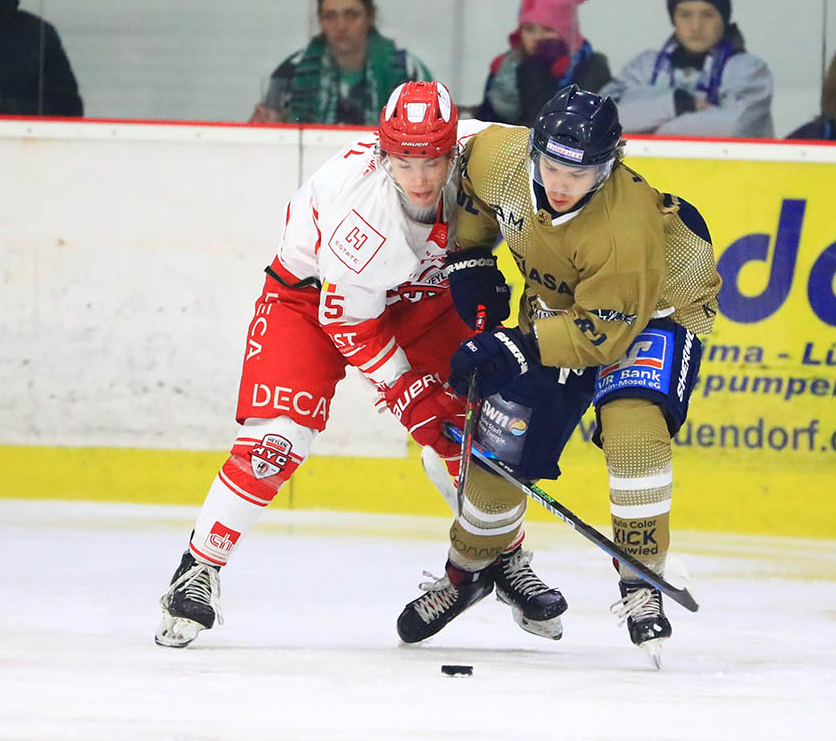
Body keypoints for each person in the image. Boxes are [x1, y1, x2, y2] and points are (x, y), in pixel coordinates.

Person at [155, 81, 560, 648]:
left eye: (434, 160)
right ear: (381, 152)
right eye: (404, 161)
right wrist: (407, 391)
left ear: (455, 150)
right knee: (278, 439)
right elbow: (349, 322)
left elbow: (561, 166)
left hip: (422, 293)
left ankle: (501, 558)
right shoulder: (363, 216)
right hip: (313, 297)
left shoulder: (489, 159)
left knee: (476, 426)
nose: (420, 179)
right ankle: (198, 569)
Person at [395, 85, 721, 663]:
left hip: (652, 311)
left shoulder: (626, 229)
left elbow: (603, 337)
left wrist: (518, 346)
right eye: (550, 165)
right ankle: (468, 570)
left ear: (610, 165)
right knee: (499, 447)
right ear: (534, 149)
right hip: (559, 307)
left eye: (581, 172)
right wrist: (471, 259)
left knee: (633, 431)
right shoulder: (500, 156)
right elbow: (470, 186)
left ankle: (641, 581)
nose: (561, 183)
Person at [602, 0, 772, 138]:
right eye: (685, 15)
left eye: (707, 15)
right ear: (673, 18)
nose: (696, 26)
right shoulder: (644, 67)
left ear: (723, 18)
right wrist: (675, 104)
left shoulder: (750, 71)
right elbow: (602, 119)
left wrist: (652, 130)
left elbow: (734, 128)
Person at [250, 0, 432, 126]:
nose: (341, 25)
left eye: (351, 15)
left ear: (371, 15)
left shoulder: (409, 72)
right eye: (330, 16)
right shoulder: (291, 72)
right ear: (320, 19)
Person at [474, 0, 610, 127]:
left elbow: (551, 121)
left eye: (548, 30)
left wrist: (535, 67)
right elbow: (486, 121)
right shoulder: (504, 69)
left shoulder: (590, 66)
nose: (537, 38)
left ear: (567, 33)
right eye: (529, 29)